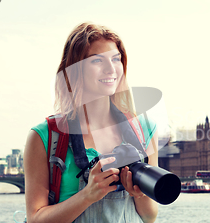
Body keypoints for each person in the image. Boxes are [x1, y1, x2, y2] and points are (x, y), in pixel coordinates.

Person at [24, 22, 159, 223]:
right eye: (97, 61)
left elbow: (149, 216)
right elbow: (35, 218)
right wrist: (88, 195)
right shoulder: (45, 136)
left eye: (116, 59)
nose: (110, 69)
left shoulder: (144, 129)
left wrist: (138, 193)